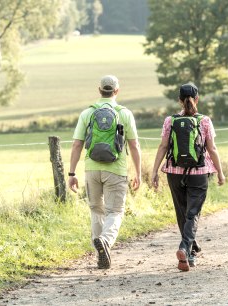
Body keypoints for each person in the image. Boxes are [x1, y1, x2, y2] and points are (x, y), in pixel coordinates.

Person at [68, 75, 141, 269]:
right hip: (116, 169)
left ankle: (99, 250)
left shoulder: (87, 113)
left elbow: (77, 144)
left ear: (99, 90)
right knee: (115, 211)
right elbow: (134, 145)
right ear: (116, 91)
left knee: (95, 210)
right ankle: (106, 242)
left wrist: (71, 173)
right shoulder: (124, 113)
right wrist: (138, 173)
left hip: (92, 169)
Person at [151, 82, 225, 272]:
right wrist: (220, 172)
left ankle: (191, 251)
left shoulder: (170, 121)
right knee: (193, 213)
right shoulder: (205, 121)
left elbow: (163, 147)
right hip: (199, 173)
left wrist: (154, 172)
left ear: (179, 100)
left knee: (182, 212)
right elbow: (212, 148)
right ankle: (185, 248)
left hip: (174, 172)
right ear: (197, 99)